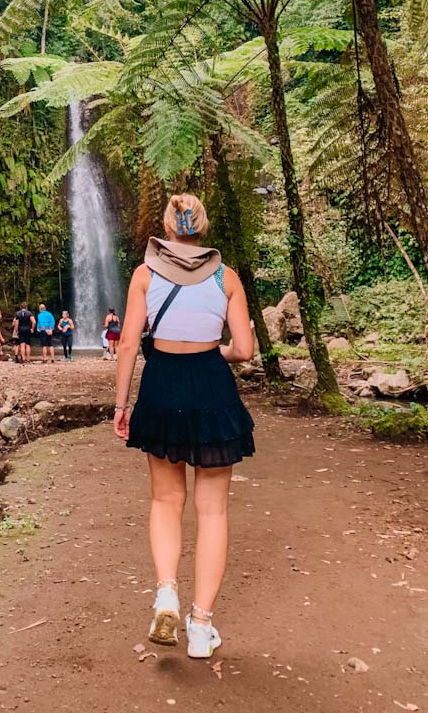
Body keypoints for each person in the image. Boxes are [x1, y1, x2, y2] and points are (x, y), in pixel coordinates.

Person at [113, 193, 255, 660]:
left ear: (168, 229)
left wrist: (122, 403)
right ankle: (200, 626)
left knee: (165, 500)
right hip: (211, 383)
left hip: (162, 384)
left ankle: (166, 593)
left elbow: (130, 343)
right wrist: (221, 352)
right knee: (212, 511)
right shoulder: (225, 276)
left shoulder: (145, 274)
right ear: (202, 226)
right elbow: (244, 350)